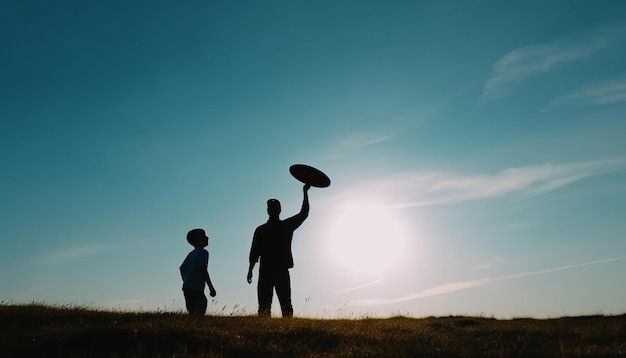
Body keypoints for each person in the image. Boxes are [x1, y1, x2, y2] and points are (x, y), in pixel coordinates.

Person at [247, 184, 311, 317]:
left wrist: (305, 193)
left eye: (274, 207)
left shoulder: (285, 226)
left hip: (280, 270)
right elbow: (254, 252)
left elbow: (304, 213)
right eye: (271, 208)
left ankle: (286, 331)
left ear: (279, 209)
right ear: (268, 210)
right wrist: (250, 269)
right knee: (265, 305)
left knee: (285, 304)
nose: (273, 209)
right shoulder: (262, 230)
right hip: (266, 271)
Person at [179, 228, 217, 316]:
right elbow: (202, 269)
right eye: (204, 236)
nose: (207, 238)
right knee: (200, 308)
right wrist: (211, 287)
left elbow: (181, 268)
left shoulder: (191, 254)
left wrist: (187, 280)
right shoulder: (203, 252)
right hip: (195, 287)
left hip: (187, 287)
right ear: (198, 240)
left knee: (192, 310)